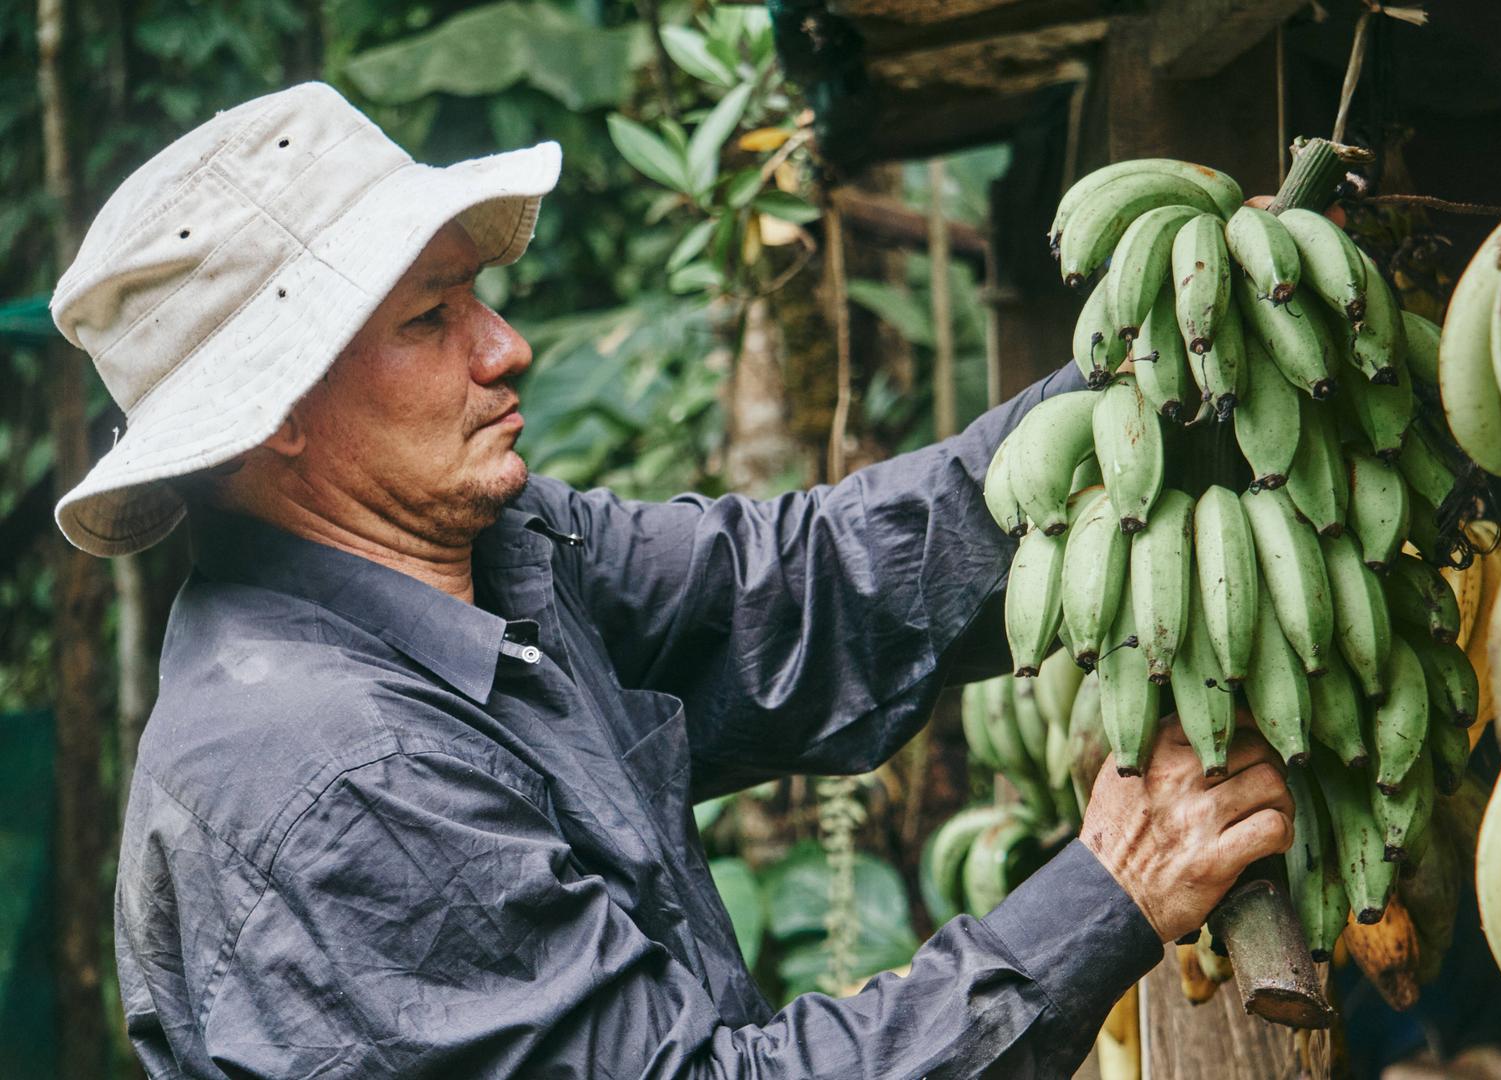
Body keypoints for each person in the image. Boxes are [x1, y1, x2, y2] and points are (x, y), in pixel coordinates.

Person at [53, 82, 1294, 1078]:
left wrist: (1146, 385)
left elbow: (804, 591)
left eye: (476, 295)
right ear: (276, 417)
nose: (505, 347)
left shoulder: (495, 555)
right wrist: (1110, 890)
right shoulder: (336, 781)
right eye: (431, 319)